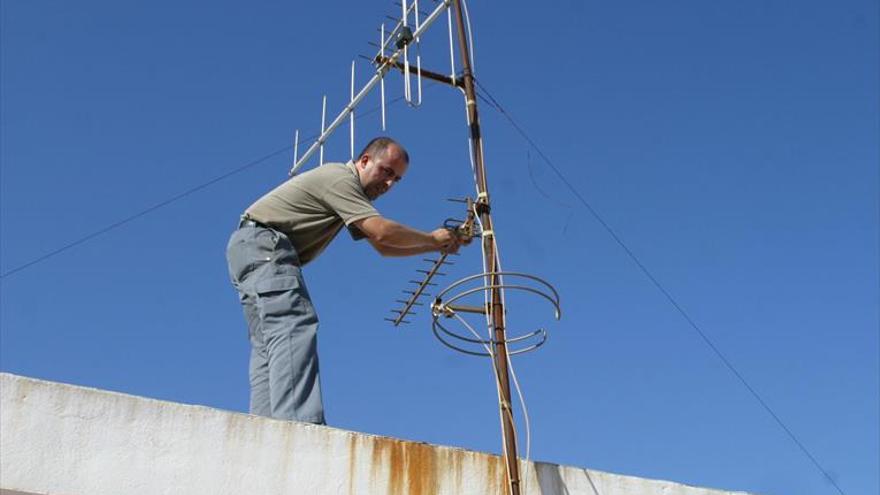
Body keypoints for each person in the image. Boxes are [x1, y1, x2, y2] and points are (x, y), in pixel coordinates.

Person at [226, 137, 464, 424]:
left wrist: (435, 245)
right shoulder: (340, 179)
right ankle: (299, 426)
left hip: (251, 248)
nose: (388, 184)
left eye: (396, 180)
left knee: (270, 342)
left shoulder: (349, 193)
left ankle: (266, 428)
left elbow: (384, 248)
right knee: (293, 324)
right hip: (265, 245)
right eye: (386, 171)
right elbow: (382, 233)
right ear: (364, 161)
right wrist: (432, 238)